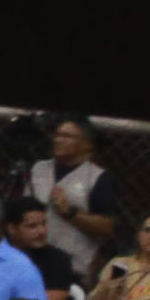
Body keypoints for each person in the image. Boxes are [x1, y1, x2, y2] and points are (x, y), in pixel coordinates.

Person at [32, 115, 120, 273]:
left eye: (67, 136)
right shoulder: (38, 169)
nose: (58, 140)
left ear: (87, 144)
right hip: (32, 261)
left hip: (73, 266)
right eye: (57, 135)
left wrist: (70, 212)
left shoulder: (98, 178)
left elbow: (107, 227)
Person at [3, 196, 78, 300]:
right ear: (11, 228)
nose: (42, 231)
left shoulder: (57, 259)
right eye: (32, 226)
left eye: (44, 224)